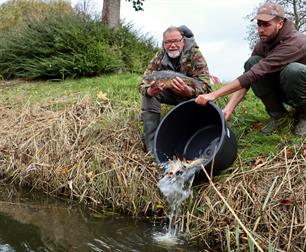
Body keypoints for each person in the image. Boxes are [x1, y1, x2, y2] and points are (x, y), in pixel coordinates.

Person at [196, 2, 306, 136]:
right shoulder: (263, 44)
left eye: (266, 24)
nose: (261, 30)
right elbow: (249, 76)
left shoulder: (296, 41)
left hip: (301, 88)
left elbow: (257, 72)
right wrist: (229, 107)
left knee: (293, 70)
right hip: (287, 90)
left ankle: (304, 117)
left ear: (280, 24)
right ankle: (278, 115)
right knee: (252, 63)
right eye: (259, 24)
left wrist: (214, 94)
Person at [139, 25, 211, 154]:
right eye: (168, 42)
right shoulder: (160, 55)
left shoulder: (195, 54)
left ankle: (193, 138)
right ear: (164, 43)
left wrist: (189, 91)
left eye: (176, 41)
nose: (172, 45)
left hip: (190, 96)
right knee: (148, 95)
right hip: (169, 93)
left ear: (183, 41)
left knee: (201, 105)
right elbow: (143, 83)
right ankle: (151, 146)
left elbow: (206, 87)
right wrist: (149, 91)